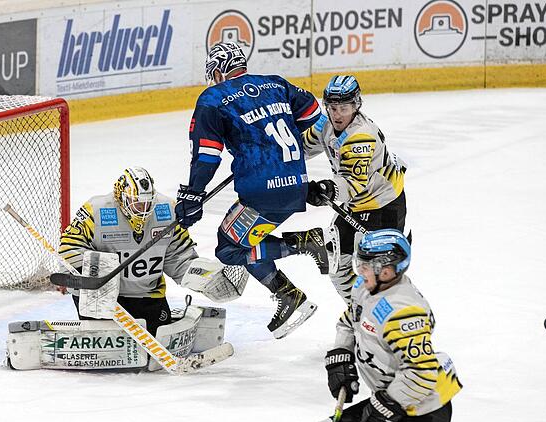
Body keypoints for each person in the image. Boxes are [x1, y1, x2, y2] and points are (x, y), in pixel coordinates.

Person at [174, 42, 327, 339]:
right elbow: (312, 116)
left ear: (217, 71)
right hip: (295, 183)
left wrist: (193, 194)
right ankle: (288, 293)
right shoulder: (276, 84)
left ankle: (304, 246)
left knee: (229, 248)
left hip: (262, 191)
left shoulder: (213, 99)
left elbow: (207, 156)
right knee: (243, 242)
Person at [312, 229, 462, 422]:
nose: (359, 270)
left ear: (387, 269)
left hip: (421, 409)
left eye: (366, 265)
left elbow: (421, 373)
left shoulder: (404, 310)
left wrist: (385, 406)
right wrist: (341, 353)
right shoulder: (364, 287)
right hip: (390, 400)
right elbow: (350, 320)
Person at [302, 75, 408, 305]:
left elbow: (352, 184)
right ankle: (359, 312)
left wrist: (327, 189)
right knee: (334, 260)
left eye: (344, 107)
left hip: (383, 205)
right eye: (332, 107)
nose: (337, 114)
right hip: (356, 204)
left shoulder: (361, 137)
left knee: (378, 273)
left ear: (356, 105)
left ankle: (384, 319)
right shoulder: (324, 124)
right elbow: (301, 148)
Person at [57, 166, 199, 336]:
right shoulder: (96, 210)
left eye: (148, 203)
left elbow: (178, 255)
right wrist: (84, 273)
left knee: (158, 336)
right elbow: (69, 246)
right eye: (138, 203)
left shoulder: (167, 209)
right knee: (108, 341)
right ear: (122, 197)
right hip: (103, 299)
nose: (144, 209)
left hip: (148, 294)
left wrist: (200, 276)